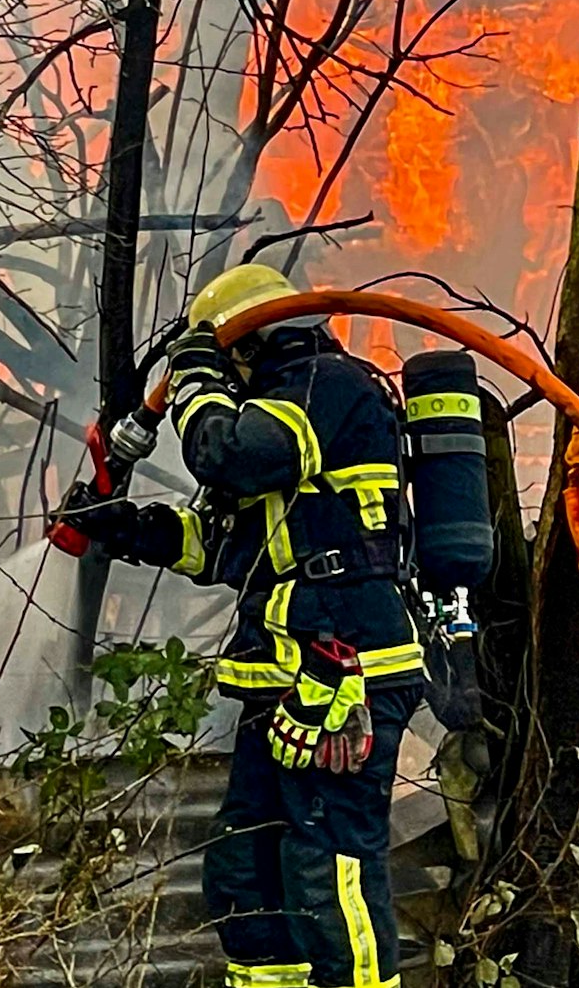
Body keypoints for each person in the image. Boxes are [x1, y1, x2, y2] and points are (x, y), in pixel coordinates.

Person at [55, 263, 421, 988]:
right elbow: (231, 548)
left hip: (344, 670)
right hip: (283, 683)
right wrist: (130, 528)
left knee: (329, 867)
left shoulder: (328, 387)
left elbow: (232, 452)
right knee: (245, 870)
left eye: (227, 360)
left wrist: (193, 378)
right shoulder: (282, 413)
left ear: (249, 346)